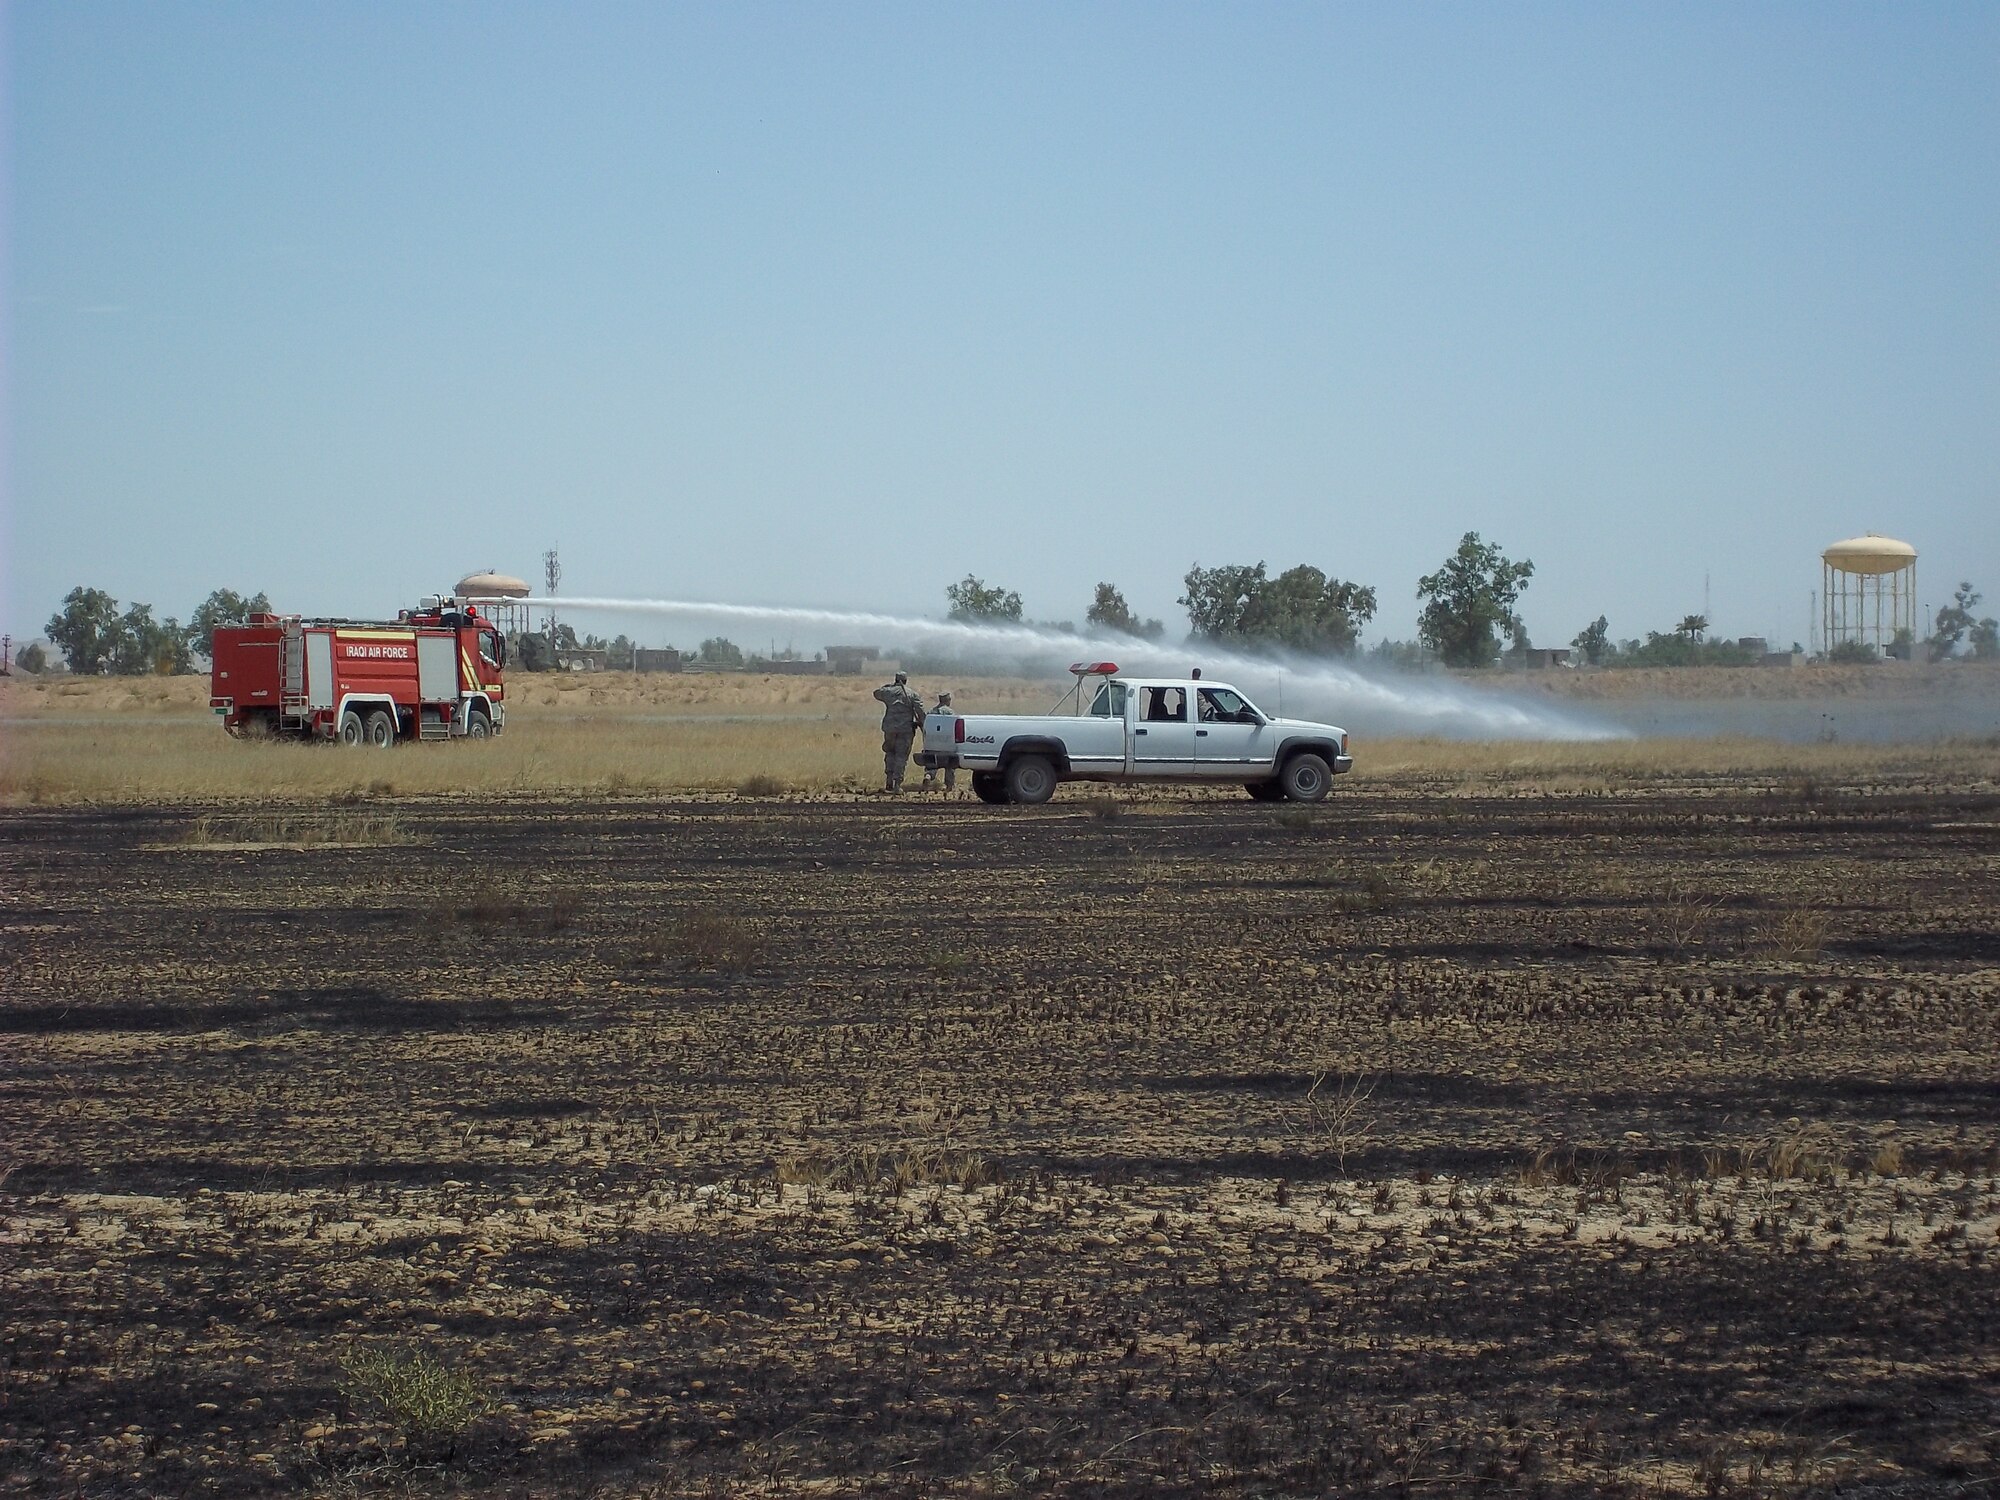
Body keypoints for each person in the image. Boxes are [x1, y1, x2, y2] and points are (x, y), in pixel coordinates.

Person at [872, 671, 925, 793]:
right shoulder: (912, 694)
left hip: (890, 729)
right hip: (905, 730)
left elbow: (876, 693)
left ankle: (889, 781)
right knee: (901, 756)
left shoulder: (888, 692)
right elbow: (921, 713)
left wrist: (889, 686)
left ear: (895, 679)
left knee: (890, 753)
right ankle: (897, 785)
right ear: (906, 680)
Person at [921, 691, 957, 794]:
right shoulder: (950, 713)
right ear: (947, 700)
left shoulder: (931, 712)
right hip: (947, 742)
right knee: (950, 764)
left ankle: (928, 776)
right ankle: (949, 786)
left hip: (932, 742)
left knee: (932, 763)